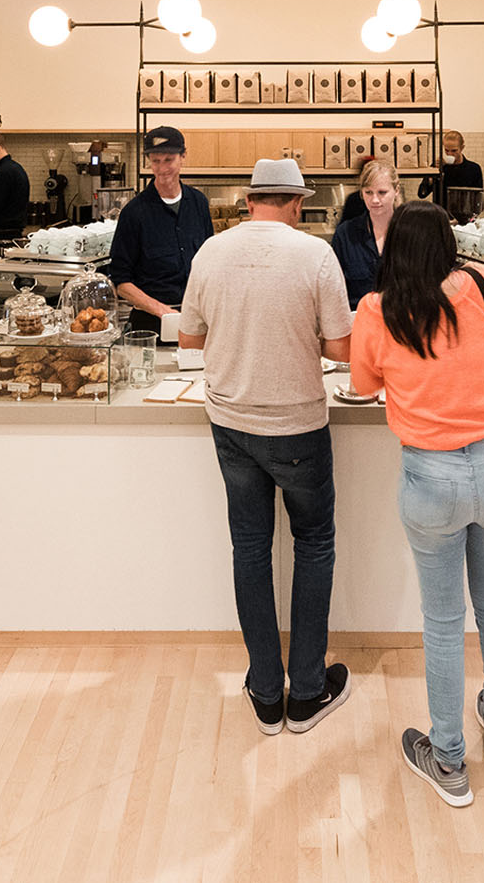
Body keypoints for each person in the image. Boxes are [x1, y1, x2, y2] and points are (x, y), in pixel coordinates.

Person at [349, 201, 484, 808]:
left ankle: (448, 758)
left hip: (431, 477)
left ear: (392, 249)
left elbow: (364, 384)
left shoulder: (377, 309)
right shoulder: (478, 288)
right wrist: (483, 272)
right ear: (452, 248)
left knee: (444, 623)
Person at [179, 159, 356, 737]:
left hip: (231, 423)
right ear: (297, 203)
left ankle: (263, 690)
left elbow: (189, 338)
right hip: (297, 424)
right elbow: (341, 348)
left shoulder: (211, 252)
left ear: (251, 200)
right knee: (314, 544)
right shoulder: (315, 255)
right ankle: (305, 691)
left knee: (250, 550)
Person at [109, 126, 213, 335]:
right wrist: (163, 311)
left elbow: (209, 261)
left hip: (197, 317)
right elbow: (121, 281)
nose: (162, 168)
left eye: (168, 160)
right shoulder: (134, 212)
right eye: (156, 161)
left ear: (183, 157)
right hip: (150, 324)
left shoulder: (198, 202)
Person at [332, 159, 398, 309]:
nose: (374, 200)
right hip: (357, 317)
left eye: (382, 193)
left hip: (401, 317)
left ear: (396, 191)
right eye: (368, 192)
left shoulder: (411, 231)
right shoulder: (345, 234)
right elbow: (335, 288)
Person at [419, 130, 484, 212]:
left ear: (462, 148)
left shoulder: (473, 169)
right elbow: (421, 194)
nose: (450, 154)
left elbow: (479, 200)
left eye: (454, 151)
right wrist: (432, 175)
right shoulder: (438, 167)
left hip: (465, 215)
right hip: (441, 214)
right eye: (446, 150)